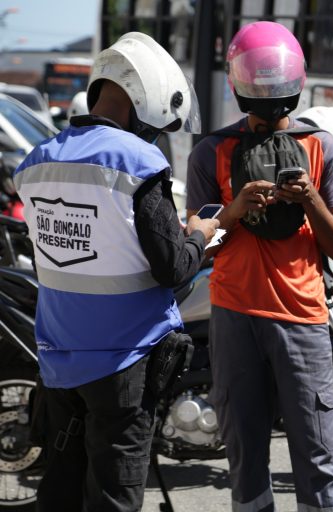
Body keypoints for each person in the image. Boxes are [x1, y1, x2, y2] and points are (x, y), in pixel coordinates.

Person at [12, 32, 218, 511]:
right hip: (124, 362)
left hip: (59, 358)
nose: (155, 136)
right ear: (144, 101)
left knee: (60, 489)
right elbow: (174, 268)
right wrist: (204, 231)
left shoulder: (38, 161)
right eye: (157, 126)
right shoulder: (138, 161)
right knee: (113, 498)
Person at [185, 22, 333, 512]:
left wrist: (310, 198)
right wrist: (234, 211)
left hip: (302, 317)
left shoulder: (323, 147)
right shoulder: (211, 151)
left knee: (318, 454)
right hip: (234, 315)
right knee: (245, 453)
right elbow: (198, 245)